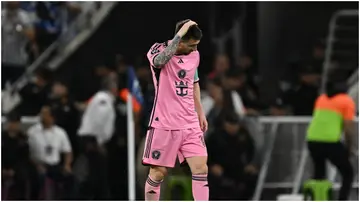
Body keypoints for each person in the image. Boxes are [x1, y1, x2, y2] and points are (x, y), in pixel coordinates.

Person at [142, 19, 209, 201]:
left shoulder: (194, 56)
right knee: (158, 174)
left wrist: (200, 112)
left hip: (189, 123)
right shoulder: (157, 50)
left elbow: (193, 83)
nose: (195, 49)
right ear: (179, 41)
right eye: (191, 45)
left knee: (201, 168)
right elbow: (159, 61)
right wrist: (179, 35)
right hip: (164, 123)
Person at [306, 76, 356, 200]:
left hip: (312, 139)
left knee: (319, 173)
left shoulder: (321, 99)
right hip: (330, 141)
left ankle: (318, 198)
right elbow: (348, 128)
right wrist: (350, 146)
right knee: (348, 173)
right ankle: (342, 199)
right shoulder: (347, 101)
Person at [206, 111, 258, 200]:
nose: (234, 127)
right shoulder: (215, 136)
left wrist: (250, 164)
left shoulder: (243, 134)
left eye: (236, 124)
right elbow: (206, 154)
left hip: (238, 168)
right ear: (225, 124)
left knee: (252, 177)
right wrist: (211, 166)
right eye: (231, 124)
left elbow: (251, 149)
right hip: (221, 169)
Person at [27, 105, 75, 199]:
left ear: (52, 117)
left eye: (45, 114)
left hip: (54, 165)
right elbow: (28, 153)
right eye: (42, 114)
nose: (42, 116)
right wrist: (37, 165)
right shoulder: (32, 132)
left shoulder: (60, 132)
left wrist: (67, 165)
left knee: (70, 178)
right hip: (38, 164)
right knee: (38, 178)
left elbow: (68, 151)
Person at [2, 113, 31, 200]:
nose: (12, 125)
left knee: (23, 177)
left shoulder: (22, 139)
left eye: (15, 122)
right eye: (10, 122)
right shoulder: (2, 137)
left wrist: (14, 169)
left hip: (17, 167)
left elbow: (24, 158)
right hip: (3, 165)